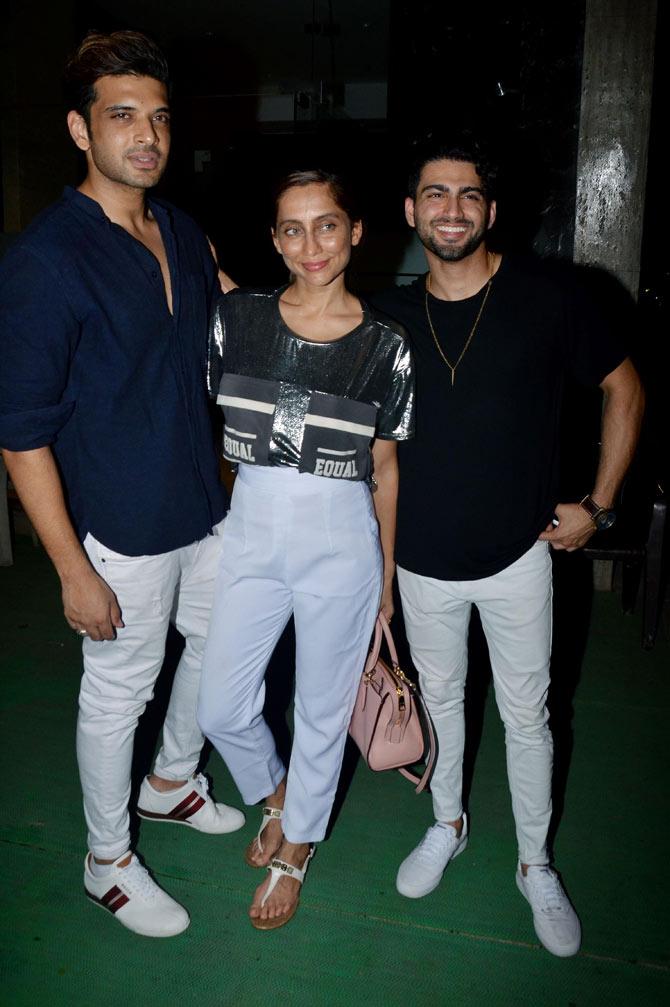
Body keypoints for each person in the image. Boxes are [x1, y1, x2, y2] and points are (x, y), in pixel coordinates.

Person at [370, 135, 644, 957]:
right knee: (443, 702)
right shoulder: (388, 313)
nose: (450, 209)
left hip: (520, 557)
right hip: (420, 561)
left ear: (490, 211)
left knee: (527, 716)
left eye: (468, 195)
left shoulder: (550, 296)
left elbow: (624, 388)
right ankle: (447, 822)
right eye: (434, 195)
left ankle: (534, 863)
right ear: (411, 211)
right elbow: (291, 321)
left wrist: (599, 502)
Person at [0, 31, 245, 939]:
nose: (147, 135)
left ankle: (172, 780)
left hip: (205, 504)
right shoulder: (44, 262)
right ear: (79, 129)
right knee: (118, 692)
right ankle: (106, 860)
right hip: (119, 526)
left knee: (224, 652)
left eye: (158, 117)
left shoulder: (180, 229)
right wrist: (72, 569)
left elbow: (231, 327)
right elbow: (19, 433)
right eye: (122, 117)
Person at [197, 169, 414, 930]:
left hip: (341, 538)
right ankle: (278, 791)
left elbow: (385, 471)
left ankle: (298, 844)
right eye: (292, 228)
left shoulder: (387, 344)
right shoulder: (239, 318)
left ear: (357, 232)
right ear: (274, 240)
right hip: (253, 525)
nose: (310, 243)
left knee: (321, 710)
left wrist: (385, 578)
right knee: (220, 702)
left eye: (328, 225)